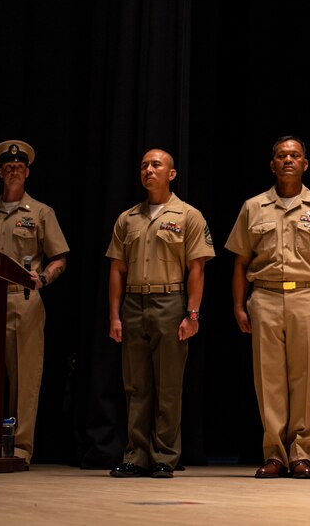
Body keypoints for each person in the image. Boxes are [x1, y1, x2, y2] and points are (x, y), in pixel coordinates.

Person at [226, 136, 310, 480]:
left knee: (306, 380)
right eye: (281, 155)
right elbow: (240, 262)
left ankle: (301, 454)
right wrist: (239, 306)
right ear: (272, 164)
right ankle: (274, 455)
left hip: (308, 297)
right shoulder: (254, 207)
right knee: (268, 381)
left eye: (294, 155)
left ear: (305, 164)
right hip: (265, 298)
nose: (288, 160)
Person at [106, 148, 214, 478]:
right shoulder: (128, 218)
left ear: (171, 174)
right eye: (144, 166)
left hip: (170, 302)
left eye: (156, 165)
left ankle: (165, 454)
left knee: (168, 385)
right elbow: (117, 270)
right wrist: (114, 316)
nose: (149, 170)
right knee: (136, 386)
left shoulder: (188, 216)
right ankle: (136, 454)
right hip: (134, 304)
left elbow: (196, 268)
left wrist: (192, 315)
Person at [0, 139, 69, 464]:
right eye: (8, 167)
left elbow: (60, 257)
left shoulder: (40, 212)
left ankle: (20, 447)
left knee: (24, 377)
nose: (13, 171)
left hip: (24, 300)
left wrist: (44, 278)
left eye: (19, 167)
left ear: (27, 173)